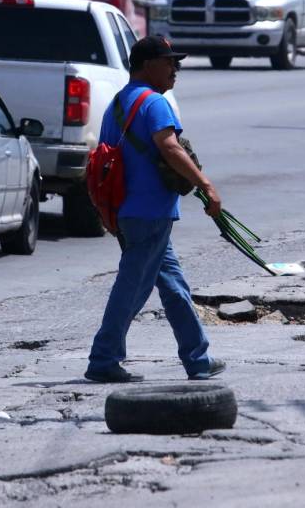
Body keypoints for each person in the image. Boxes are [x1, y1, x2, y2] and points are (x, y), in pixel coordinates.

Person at [84, 36, 225, 384]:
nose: (175, 69)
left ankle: (198, 358)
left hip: (127, 211)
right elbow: (170, 148)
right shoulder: (155, 104)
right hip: (148, 213)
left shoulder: (116, 104)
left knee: (174, 285)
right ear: (148, 65)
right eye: (169, 62)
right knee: (131, 288)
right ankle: (103, 358)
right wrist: (205, 184)